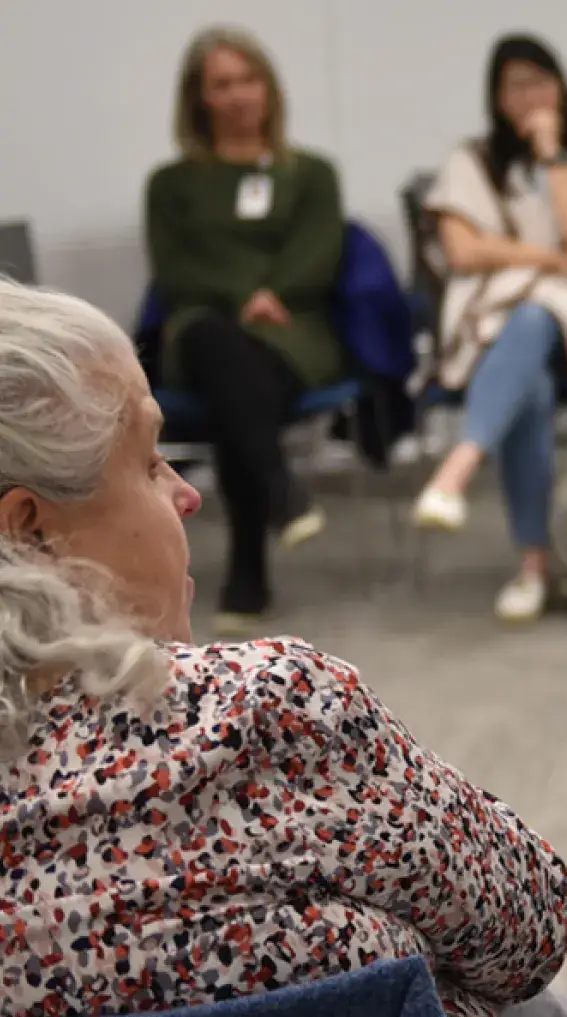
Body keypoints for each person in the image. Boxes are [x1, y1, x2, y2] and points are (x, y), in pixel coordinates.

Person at [0, 280, 567, 1017]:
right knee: (511, 1001)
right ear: (29, 532)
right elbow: (532, 927)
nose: (187, 494)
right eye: (149, 462)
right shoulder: (260, 719)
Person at [411, 34, 567, 624]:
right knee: (528, 382)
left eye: (540, 81)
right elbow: (464, 251)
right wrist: (556, 263)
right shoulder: (471, 160)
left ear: (561, 86)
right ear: (497, 98)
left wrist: (551, 156)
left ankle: (458, 466)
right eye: (515, 86)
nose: (529, 96)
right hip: (491, 329)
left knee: (535, 317)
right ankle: (533, 567)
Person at [144, 25, 342, 635]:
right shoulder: (172, 184)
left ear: (269, 88)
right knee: (218, 350)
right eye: (222, 84)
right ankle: (279, 492)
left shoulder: (311, 173)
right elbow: (176, 270)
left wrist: (270, 295)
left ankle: (249, 571)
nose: (238, 95)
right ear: (199, 97)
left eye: (248, 80)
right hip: (204, 329)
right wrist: (242, 296)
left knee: (236, 388)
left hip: (291, 331)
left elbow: (319, 252)